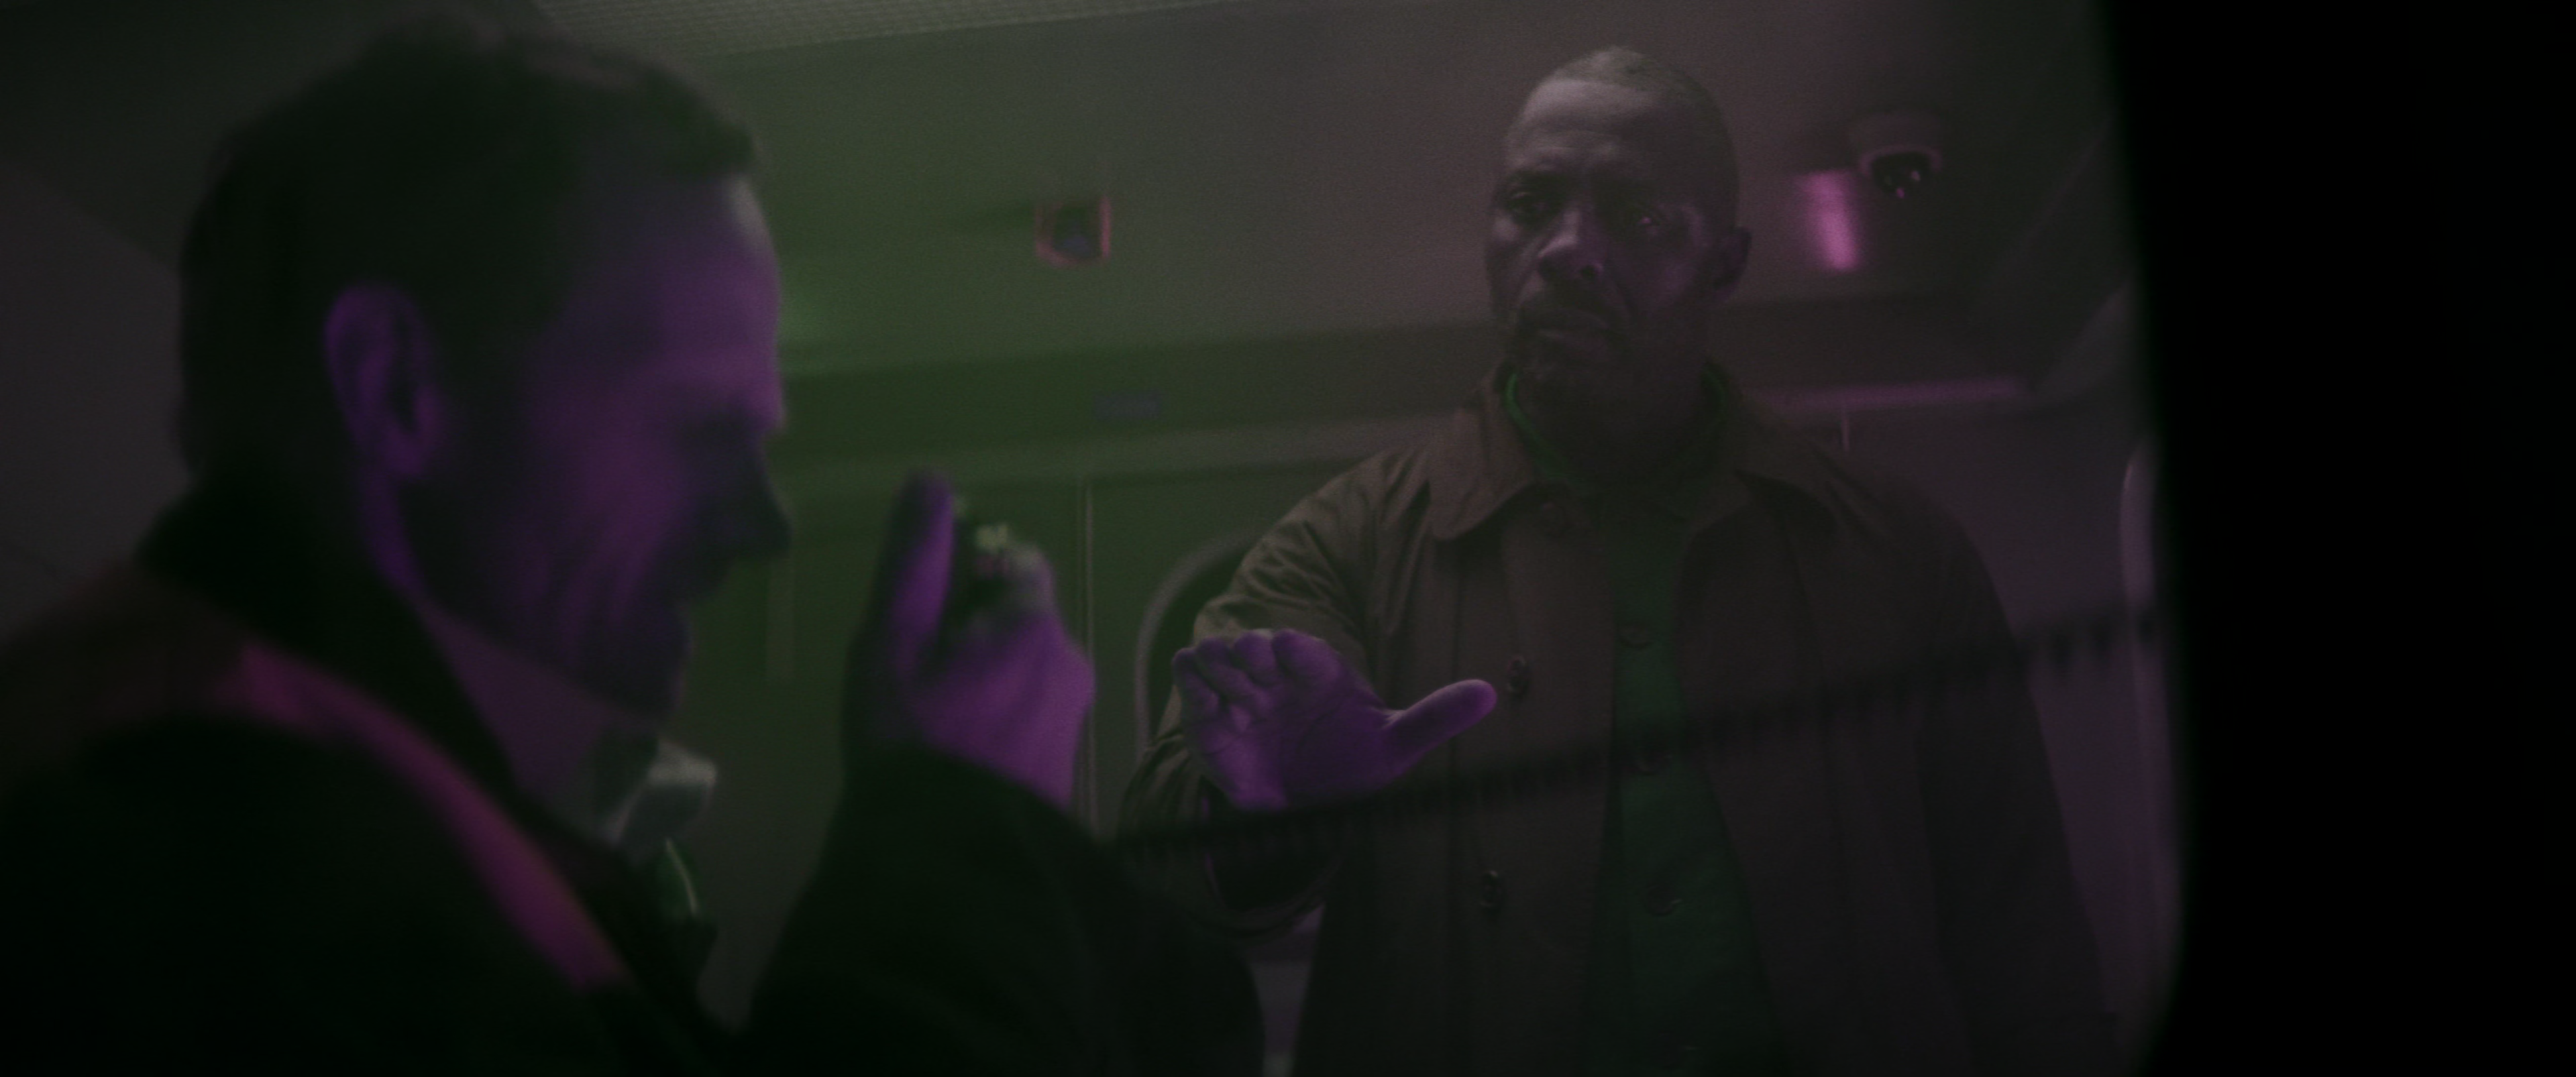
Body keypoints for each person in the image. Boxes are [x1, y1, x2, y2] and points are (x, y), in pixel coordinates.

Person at [0, 16, 1257, 1075]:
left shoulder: (397, 808)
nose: (763, 520)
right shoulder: (193, 864)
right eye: (698, 425)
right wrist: (960, 831)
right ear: (395, 388)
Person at [1124, 47, 2114, 1077]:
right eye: (1530, 203)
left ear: (1724, 265)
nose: (1567, 250)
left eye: (1636, 216)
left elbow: (2025, 942)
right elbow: (1161, 861)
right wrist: (1273, 813)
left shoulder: (1897, 551)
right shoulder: (1348, 543)